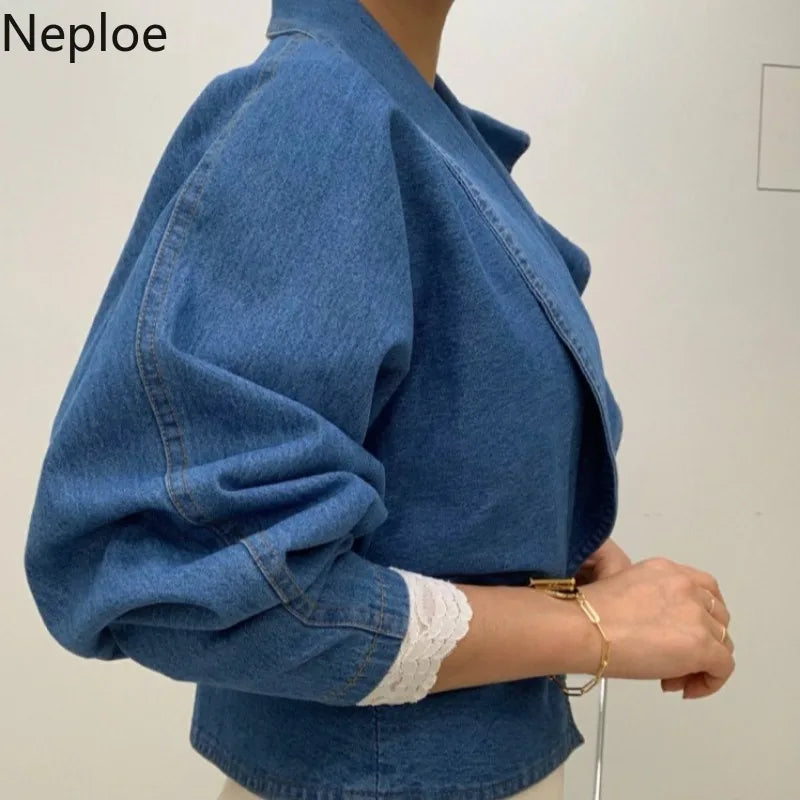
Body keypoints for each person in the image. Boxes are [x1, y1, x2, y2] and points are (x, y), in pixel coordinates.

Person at [23, 0, 735, 798]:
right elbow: (194, 576)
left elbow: (420, 442)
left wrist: (541, 545)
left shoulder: (404, 111)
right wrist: (595, 627)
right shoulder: (316, 110)